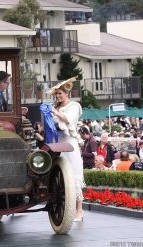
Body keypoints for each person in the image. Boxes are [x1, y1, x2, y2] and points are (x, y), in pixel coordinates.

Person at [49, 77, 84, 222]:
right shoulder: (56, 107)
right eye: (56, 94)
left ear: (66, 93)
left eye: (60, 94)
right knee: (61, 177)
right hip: (58, 143)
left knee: (74, 175)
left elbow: (69, 120)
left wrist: (55, 113)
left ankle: (79, 211)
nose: (58, 96)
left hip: (69, 143)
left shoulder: (74, 106)